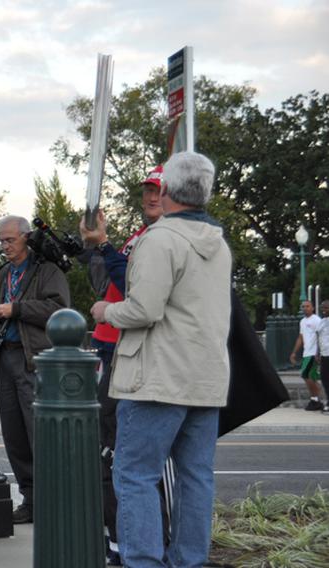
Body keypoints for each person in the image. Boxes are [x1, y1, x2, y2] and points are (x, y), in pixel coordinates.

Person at [90, 151, 232, 567]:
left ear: (167, 190)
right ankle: (190, 561)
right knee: (195, 479)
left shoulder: (160, 239)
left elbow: (142, 310)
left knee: (134, 477)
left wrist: (105, 312)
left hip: (155, 379)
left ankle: (143, 562)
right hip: (204, 380)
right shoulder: (218, 244)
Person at [79, 165, 163, 564]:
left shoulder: (161, 241)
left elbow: (132, 284)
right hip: (111, 347)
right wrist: (96, 247)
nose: (150, 196)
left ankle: (137, 543)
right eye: (147, 189)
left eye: (159, 190)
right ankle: (123, 538)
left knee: (123, 454)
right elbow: (111, 277)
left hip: (130, 351)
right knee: (113, 449)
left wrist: (107, 248)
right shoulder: (142, 236)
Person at [0, 215, 70, 524]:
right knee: (14, 436)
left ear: (26, 238)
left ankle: (51, 500)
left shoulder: (47, 272)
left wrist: (16, 309)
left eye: (9, 240)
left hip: (35, 361)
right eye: (1, 240)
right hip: (5, 359)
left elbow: (58, 310)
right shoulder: (1, 276)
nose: (4, 246)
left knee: (39, 435)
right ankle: (31, 500)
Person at [289, 300, 325, 411]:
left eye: (307, 306)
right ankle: (315, 399)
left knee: (308, 376)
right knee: (308, 377)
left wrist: (318, 353)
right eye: (303, 306)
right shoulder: (302, 321)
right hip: (306, 353)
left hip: (313, 353)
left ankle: (316, 399)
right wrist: (294, 352)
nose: (305, 308)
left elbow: (321, 336)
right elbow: (300, 337)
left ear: (312, 308)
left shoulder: (317, 320)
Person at [317, 300, 329, 414]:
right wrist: (318, 353)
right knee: (325, 379)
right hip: (325, 354)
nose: (324, 310)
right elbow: (319, 338)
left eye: (326, 308)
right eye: (323, 308)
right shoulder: (321, 322)